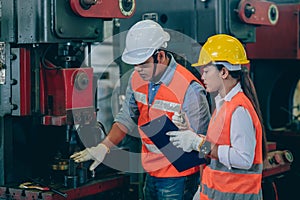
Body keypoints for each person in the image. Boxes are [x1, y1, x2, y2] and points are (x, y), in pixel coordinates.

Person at [70, 19, 211, 200]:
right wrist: (104, 146)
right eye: (134, 64)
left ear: (160, 56)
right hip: (151, 172)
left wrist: (203, 186)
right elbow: (126, 117)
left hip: (178, 178)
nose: (137, 69)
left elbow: (202, 140)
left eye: (142, 63)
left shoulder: (189, 88)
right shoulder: (137, 78)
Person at [167, 34, 268, 200]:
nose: (202, 77)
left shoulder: (239, 110)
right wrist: (189, 132)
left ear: (223, 72)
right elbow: (216, 146)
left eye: (206, 71)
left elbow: (244, 159)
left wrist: (197, 143)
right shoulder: (223, 105)